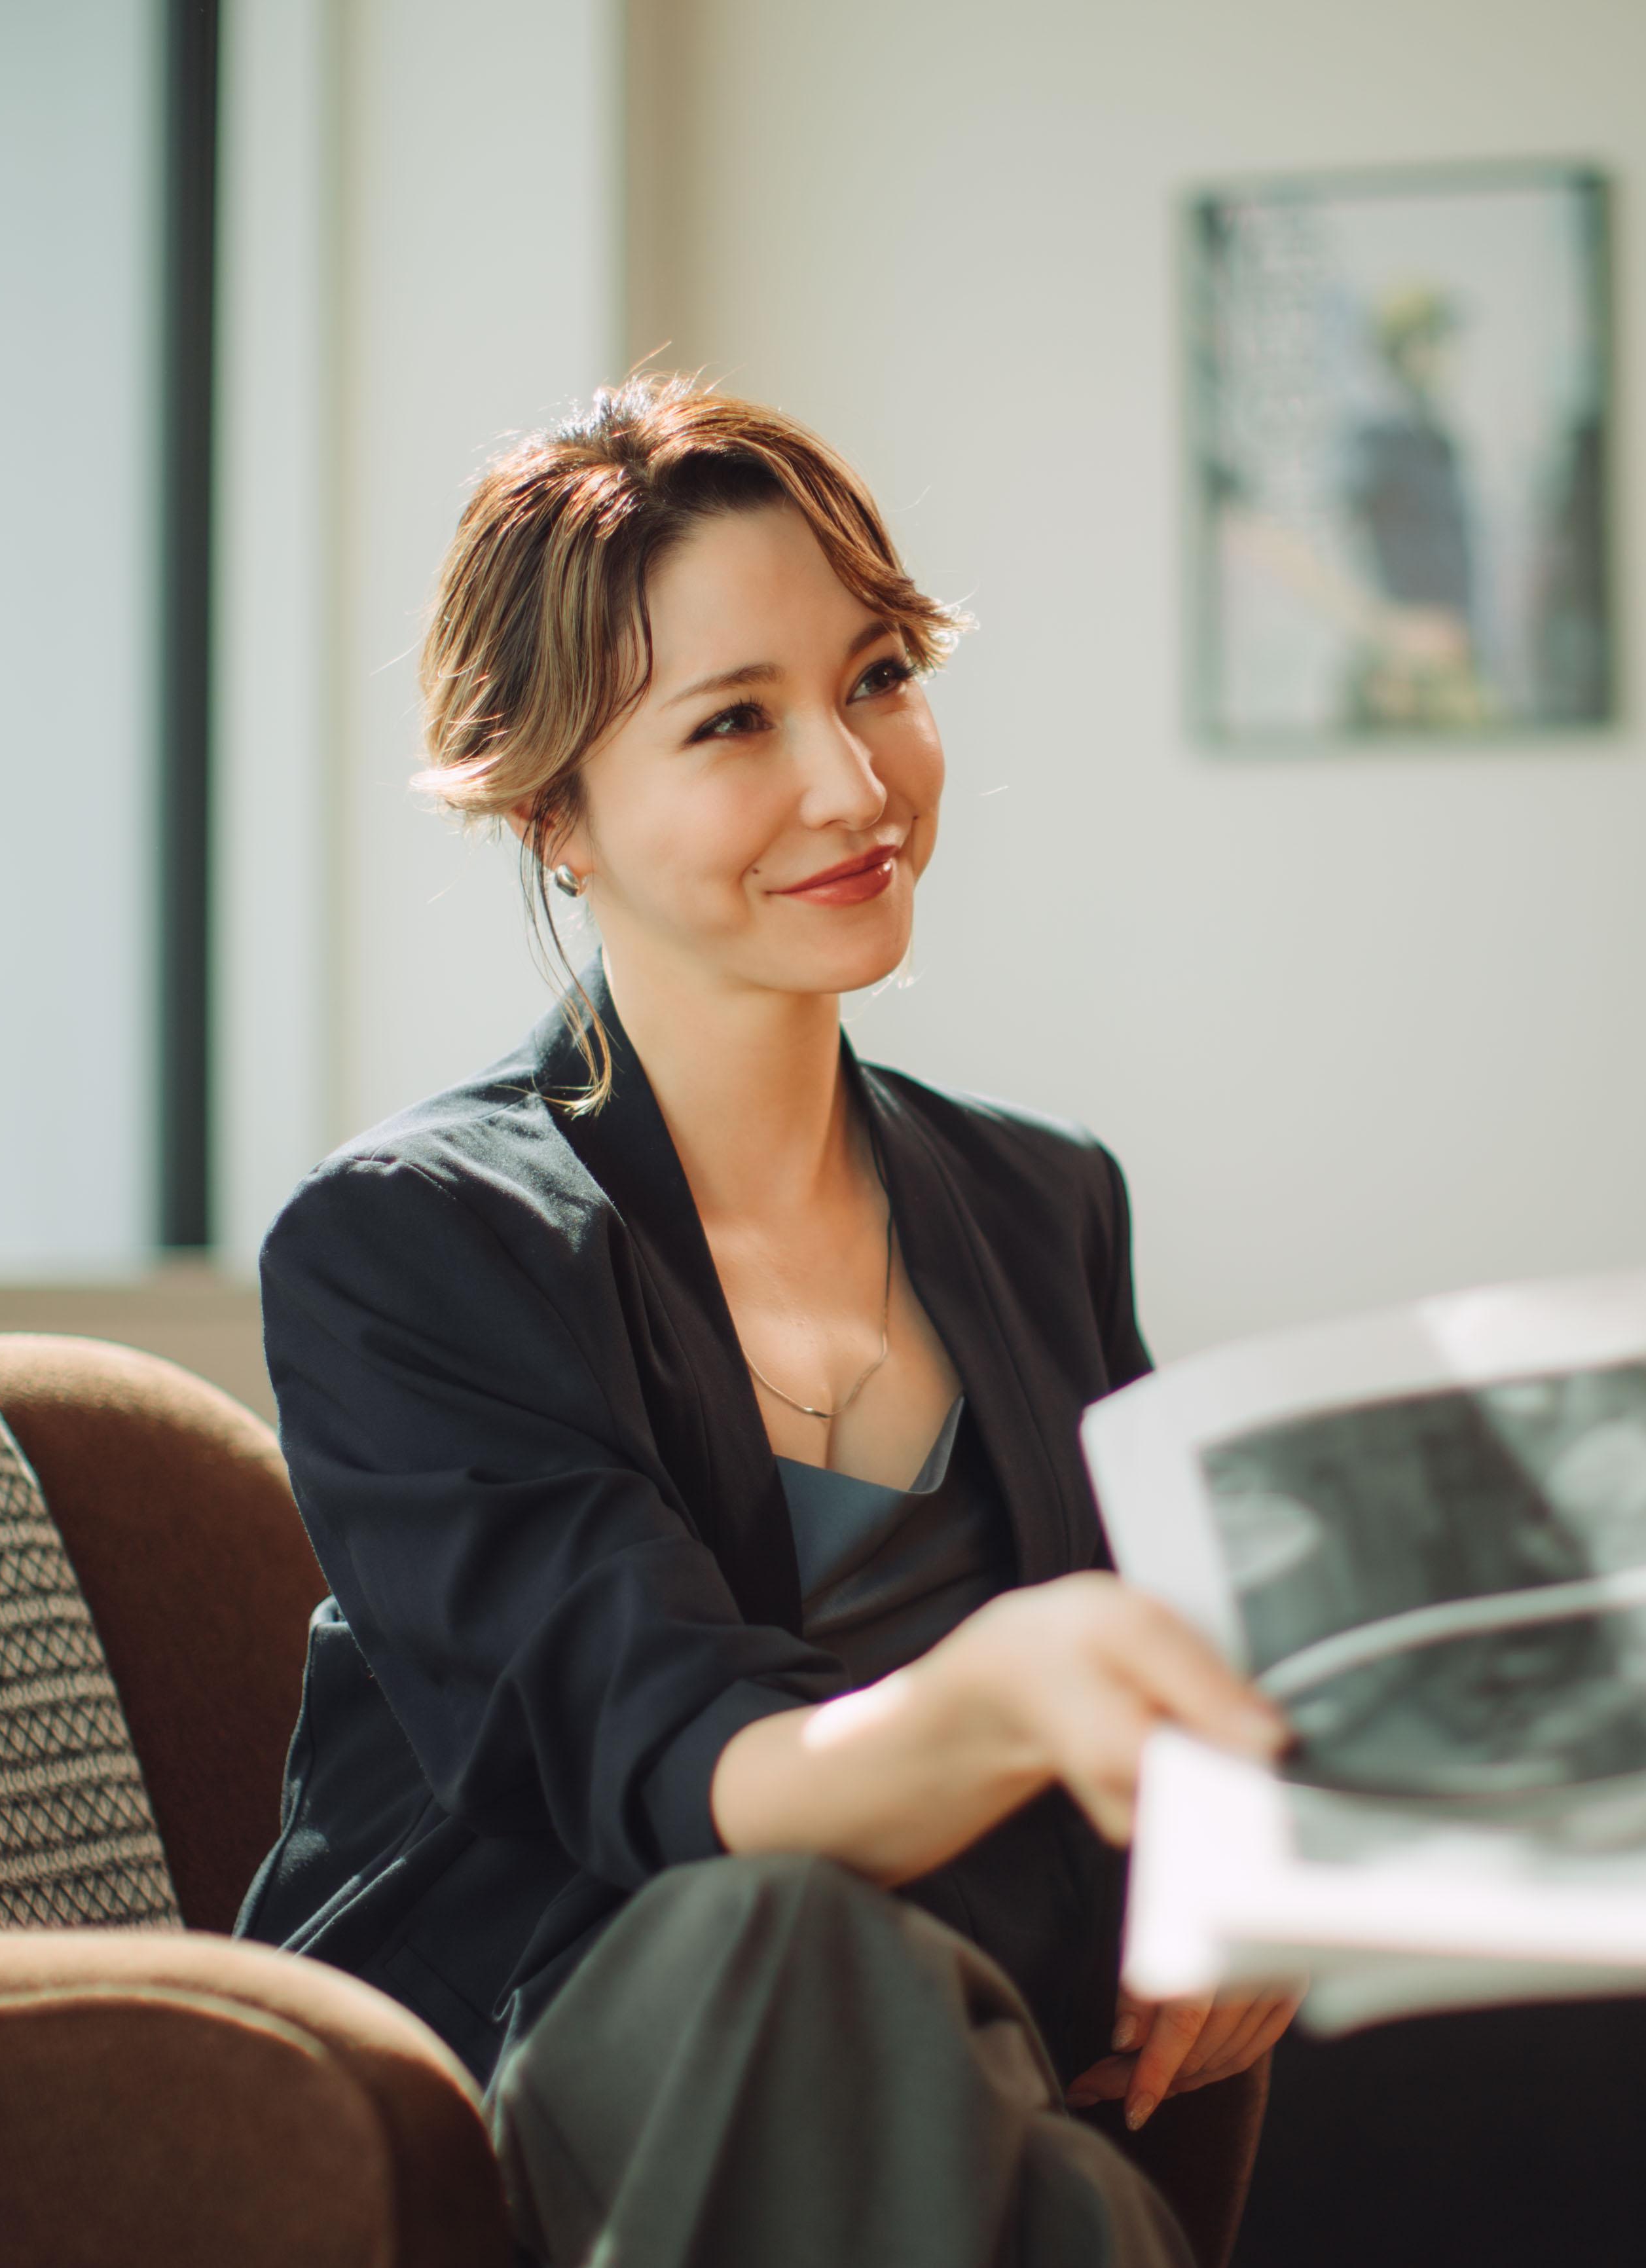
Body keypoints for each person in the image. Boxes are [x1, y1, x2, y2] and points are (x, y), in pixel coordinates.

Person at [234, 376, 1301, 2268]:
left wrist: (1237, 1862)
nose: (853, 783)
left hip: (949, 2074)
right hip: (537, 2082)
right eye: (735, 720)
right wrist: (1002, 1694)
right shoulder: (410, 1246)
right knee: (789, 1938)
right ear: (552, 811)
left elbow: (1184, 1670)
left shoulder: (1042, 1204)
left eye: (877, 678)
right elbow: (684, 1770)